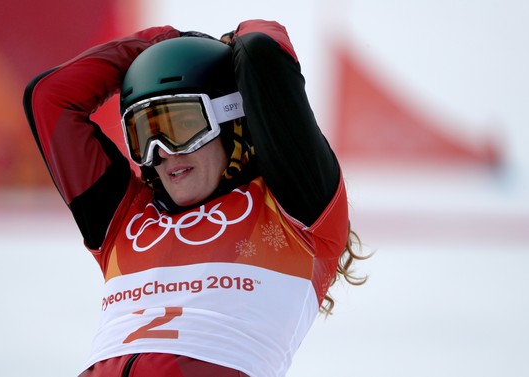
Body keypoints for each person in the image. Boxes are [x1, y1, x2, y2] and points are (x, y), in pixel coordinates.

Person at [23, 19, 366, 377]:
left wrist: (234, 40)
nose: (165, 153)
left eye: (182, 127)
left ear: (234, 123)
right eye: (145, 135)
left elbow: (261, 52)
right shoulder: (122, 220)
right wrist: (163, 42)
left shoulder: (293, 213)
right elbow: (48, 98)